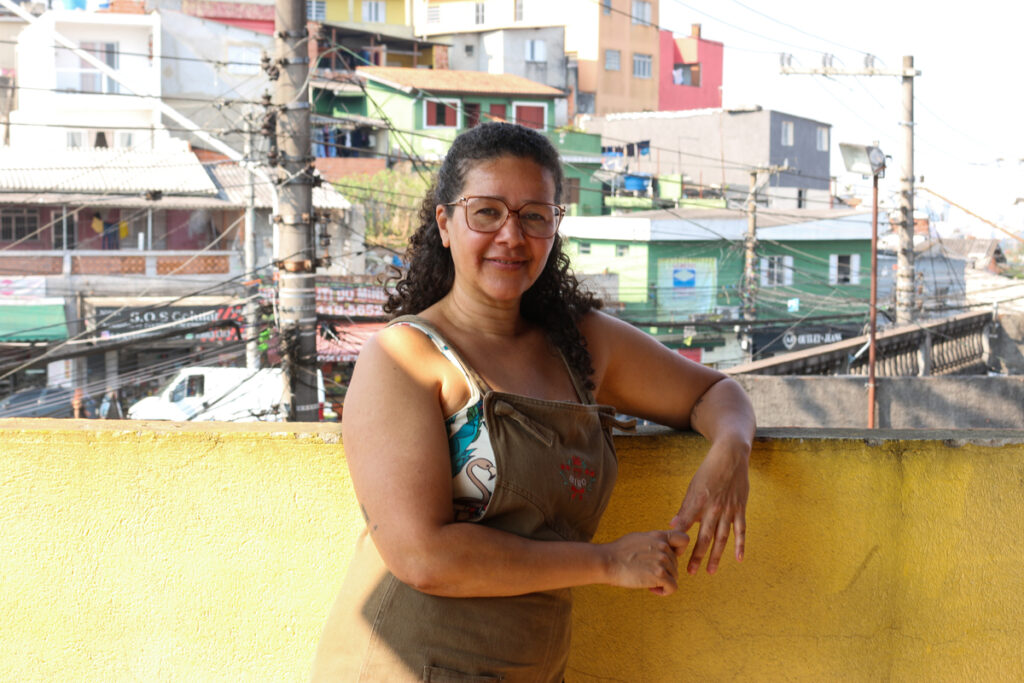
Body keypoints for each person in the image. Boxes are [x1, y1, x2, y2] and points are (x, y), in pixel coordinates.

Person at [311, 122, 755, 682]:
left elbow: (715, 392)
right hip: (408, 665)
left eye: (534, 215)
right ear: (445, 225)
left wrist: (730, 452)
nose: (511, 236)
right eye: (487, 212)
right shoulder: (404, 358)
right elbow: (423, 557)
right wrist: (609, 562)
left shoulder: (583, 345)